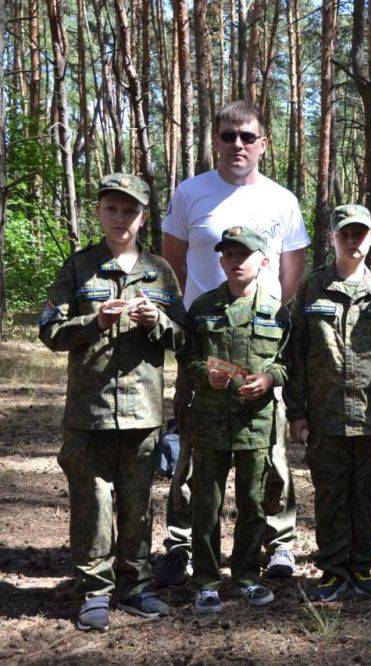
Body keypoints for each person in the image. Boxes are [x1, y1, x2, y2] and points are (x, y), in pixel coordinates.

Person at [158, 100, 309, 584]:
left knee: (269, 451)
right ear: (215, 141)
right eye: (228, 136)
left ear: (263, 143)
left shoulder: (281, 200)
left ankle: (278, 542)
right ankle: (183, 543)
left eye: (247, 137)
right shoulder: (190, 193)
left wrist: (261, 324)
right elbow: (173, 268)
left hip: (262, 347)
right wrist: (194, 336)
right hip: (204, 345)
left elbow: (291, 271)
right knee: (192, 450)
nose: (237, 145)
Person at [39, 174, 185, 631]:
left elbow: (184, 337)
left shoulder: (160, 271)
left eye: (130, 211)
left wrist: (157, 321)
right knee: (93, 503)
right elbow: (50, 332)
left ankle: (136, 585)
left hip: (143, 412)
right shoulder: (79, 268)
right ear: (100, 213)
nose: (121, 219)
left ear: (143, 217)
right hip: (89, 412)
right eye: (112, 210)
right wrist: (94, 320)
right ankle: (94, 590)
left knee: (137, 503)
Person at [285, 205, 371, 602]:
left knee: (365, 493)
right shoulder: (311, 288)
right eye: (344, 234)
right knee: (330, 495)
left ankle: (362, 567)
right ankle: (332, 570)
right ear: (332, 238)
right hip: (325, 414)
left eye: (360, 234)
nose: (353, 241)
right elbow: (296, 353)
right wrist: (296, 411)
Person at [179, 226, 290, 614]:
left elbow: (288, 363)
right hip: (209, 422)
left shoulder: (277, 310)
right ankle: (206, 581)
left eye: (243, 255)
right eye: (228, 255)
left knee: (253, 505)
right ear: (221, 260)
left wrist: (269, 378)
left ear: (263, 261)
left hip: (254, 424)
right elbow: (186, 358)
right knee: (206, 506)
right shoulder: (203, 307)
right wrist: (202, 373)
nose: (235, 261)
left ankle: (246, 577)